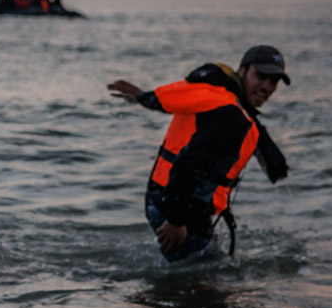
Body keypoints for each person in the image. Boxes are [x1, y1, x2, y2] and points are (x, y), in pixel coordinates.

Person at [107, 46, 290, 262]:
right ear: (242, 71)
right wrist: (176, 221)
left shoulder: (228, 102)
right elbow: (188, 163)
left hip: (171, 200)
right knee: (199, 287)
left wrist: (141, 96)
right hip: (176, 206)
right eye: (261, 76)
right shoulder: (230, 116)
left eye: (274, 81)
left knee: (202, 275)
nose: (266, 86)